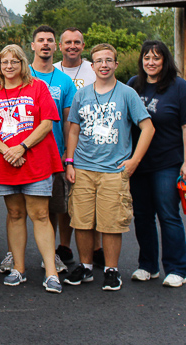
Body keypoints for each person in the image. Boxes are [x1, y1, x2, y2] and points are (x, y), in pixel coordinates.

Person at [64, 43, 155, 292]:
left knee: (111, 222)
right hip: (83, 167)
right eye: (99, 61)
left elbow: (148, 127)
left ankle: (111, 269)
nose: (104, 65)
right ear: (91, 66)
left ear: (115, 64)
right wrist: (69, 161)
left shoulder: (127, 94)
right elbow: (74, 129)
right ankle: (84, 266)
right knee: (81, 221)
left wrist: (134, 161)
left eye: (108, 60)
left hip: (114, 170)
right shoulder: (81, 94)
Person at [0, 44, 64, 294]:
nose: (9, 66)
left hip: (34, 161)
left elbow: (47, 122)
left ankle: (51, 272)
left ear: (23, 64)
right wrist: (8, 151)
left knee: (40, 214)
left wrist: (22, 147)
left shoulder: (37, 87)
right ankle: (18, 268)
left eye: (14, 61)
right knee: (15, 214)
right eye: (4, 62)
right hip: (6, 163)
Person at [128, 40, 186, 287]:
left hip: (167, 162)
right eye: (147, 58)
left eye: (156, 58)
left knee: (168, 215)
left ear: (165, 60)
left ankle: (177, 268)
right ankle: (147, 266)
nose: (151, 62)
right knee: (142, 216)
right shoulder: (133, 85)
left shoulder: (179, 87)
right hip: (138, 163)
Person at [27, 25, 76, 274]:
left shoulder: (65, 82)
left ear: (55, 47)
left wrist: (69, 156)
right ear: (32, 46)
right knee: (19, 208)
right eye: (40, 40)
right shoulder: (23, 74)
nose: (45, 44)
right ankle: (15, 254)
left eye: (50, 41)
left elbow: (69, 122)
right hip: (25, 154)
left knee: (53, 208)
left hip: (54, 155)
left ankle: (51, 254)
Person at [53, 26, 100, 267]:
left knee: (91, 197)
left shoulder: (93, 69)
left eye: (77, 42)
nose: (72, 46)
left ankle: (97, 246)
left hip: (92, 143)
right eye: (67, 42)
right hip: (63, 142)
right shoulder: (54, 71)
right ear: (60, 46)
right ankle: (65, 245)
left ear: (83, 45)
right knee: (64, 199)